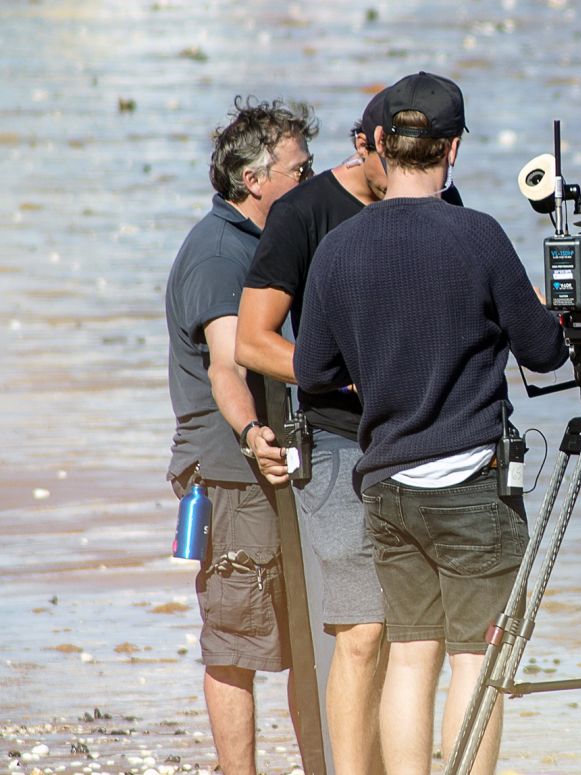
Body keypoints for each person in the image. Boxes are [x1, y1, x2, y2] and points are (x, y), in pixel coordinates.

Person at [293, 71, 568, 775]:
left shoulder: (339, 248)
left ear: (381, 143)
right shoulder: (477, 234)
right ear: (452, 151)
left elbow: (314, 370)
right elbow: (544, 350)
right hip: (469, 481)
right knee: (477, 654)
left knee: (411, 652)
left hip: (385, 483)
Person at [234, 88, 393, 775]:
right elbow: (250, 342)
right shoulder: (303, 212)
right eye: (402, 157)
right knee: (360, 631)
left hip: (423, 444)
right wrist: (335, 374)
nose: (421, 175)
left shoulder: (430, 198)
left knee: (423, 636)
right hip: (337, 444)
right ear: (365, 145)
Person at [164, 96, 316, 775]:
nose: (309, 180)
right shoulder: (219, 253)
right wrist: (254, 428)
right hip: (232, 471)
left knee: (307, 640)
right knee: (237, 644)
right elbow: (230, 362)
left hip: (275, 464)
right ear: (254, 180)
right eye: (299, 169)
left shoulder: (264, 241)